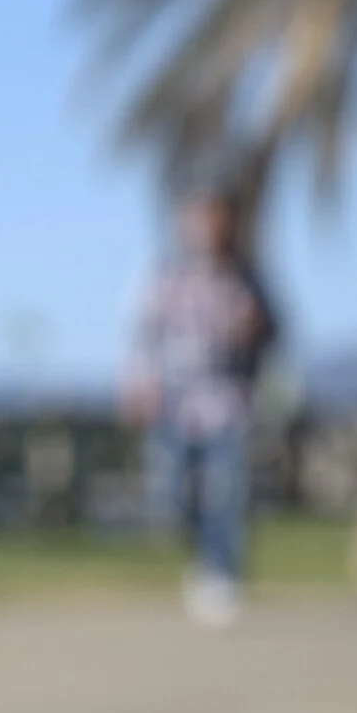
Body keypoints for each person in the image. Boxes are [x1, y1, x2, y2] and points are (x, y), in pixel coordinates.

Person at [123, 189, 277, 625]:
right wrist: (138, 383)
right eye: (198, 218)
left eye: (215, 219)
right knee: (174, 494)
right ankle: (202, 558)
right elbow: (140, 333)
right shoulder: (163, 276)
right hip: (174, 401)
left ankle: (222, 572)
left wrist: (254, 333)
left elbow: (274, 334)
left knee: (225, 490)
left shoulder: (245, 278)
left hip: (227, 401)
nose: (207, 228)